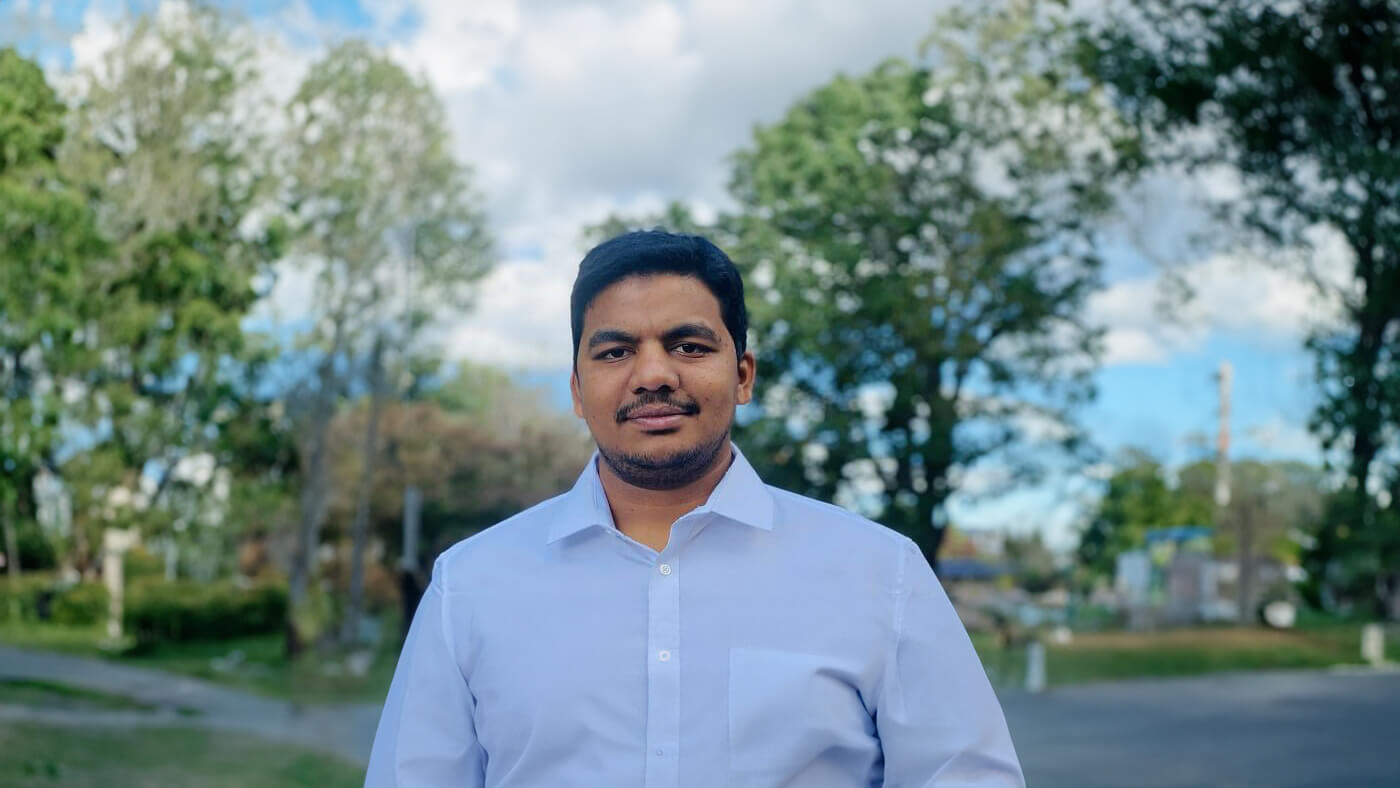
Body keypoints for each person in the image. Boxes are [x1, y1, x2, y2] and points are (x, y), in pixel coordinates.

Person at [365, 230, 1024, 787]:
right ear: (576, 388)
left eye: (689, 346)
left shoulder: (880, 574)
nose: (653, 375)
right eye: (616, 351)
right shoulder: (473, 586)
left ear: (742, 375)